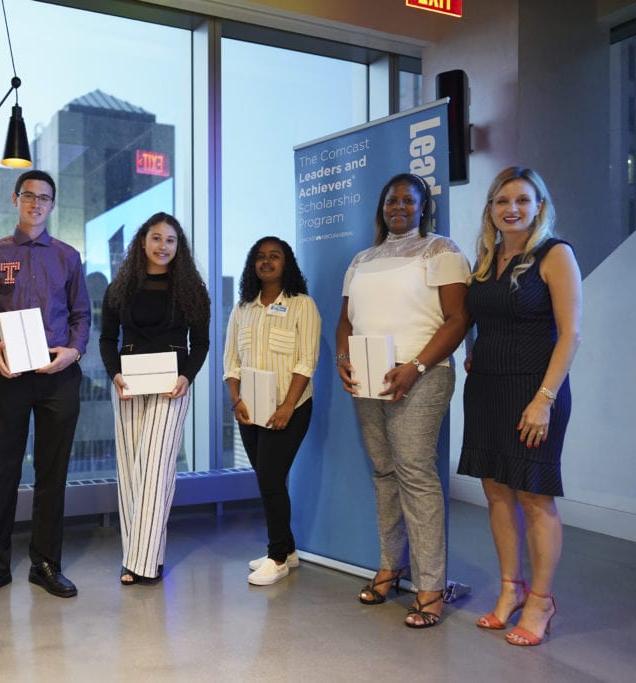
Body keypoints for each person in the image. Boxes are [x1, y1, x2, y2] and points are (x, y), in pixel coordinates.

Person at [335, 173, 470, 627]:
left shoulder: (441, 250)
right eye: (391, 201)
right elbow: (345, 322)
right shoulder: (361, 259)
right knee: (384, 471)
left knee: (414, 473)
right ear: (381, 208)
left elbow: (458, 319)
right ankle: (392, 567)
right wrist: (342, 357)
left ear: (422, 207)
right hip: (369, 375)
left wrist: (415, 367)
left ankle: (430, 587)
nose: (399, 208)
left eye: (408, 201)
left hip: (422, 374)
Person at [458, 167, 581, 647]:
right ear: (490, 209)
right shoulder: (486, 260)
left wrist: (544, 401)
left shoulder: (555, 254)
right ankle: (511, 589)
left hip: (535, 391)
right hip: (486, 389)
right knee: (496, 494)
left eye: (522, 200)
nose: (512, 208)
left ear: (539, 206)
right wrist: (474, 348)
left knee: (533, 495)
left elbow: (571, 333)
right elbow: (476, 314)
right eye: (501, 200)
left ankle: (542, 601)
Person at [0, 170, 91, 603]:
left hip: (58, 377)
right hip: (9, 375)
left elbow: (81, 316)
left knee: (52, 474)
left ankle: (46, 564)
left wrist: (73, 351)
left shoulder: (69, 257)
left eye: (45, 198)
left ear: (53, 205)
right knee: (1, 472)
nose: (36, 204)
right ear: (16, 200)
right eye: (29, 196)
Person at [99, 212, 210, 585]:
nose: (163, 246)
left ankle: (142, 563)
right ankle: (140, 556)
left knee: (156, 467)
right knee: (131, 470)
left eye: (171, 240)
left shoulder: (193, 290)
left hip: (170, 386)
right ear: (143, 242)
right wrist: (114, 373)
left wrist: (186, 377)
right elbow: (105, 340)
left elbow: (202, 343)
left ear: (179, 247)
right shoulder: (120, 287)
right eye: (157, 238)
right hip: (128, 385)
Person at [223, 237, 321, 586]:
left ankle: (277, 557)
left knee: (269, 479)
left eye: (274, 256)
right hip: (250, 410)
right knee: (271, 479)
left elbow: (306, 361)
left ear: (286, 263)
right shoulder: (242, 308)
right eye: (260, 257)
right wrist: (237, 401)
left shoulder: (302, 305)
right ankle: (289, 550)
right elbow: (231, 362)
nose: (266, 262)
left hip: (290, 409)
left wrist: (287, 406)